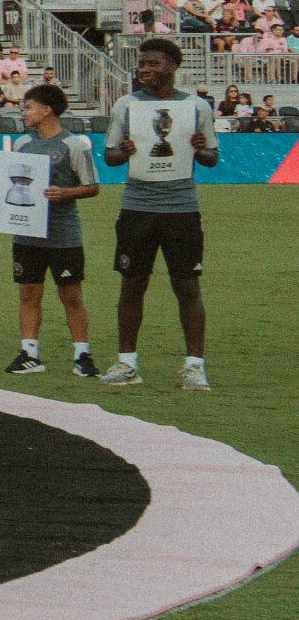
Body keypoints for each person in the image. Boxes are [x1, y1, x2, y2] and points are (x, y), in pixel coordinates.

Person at [103, 37, 217, 392]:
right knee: (132, 283)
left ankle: (195, 367)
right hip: (137, 206)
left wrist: (201, 149)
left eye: (153, 64)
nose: (146, 70)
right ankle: (127, 363)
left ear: (172, 66)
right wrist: (123, 150)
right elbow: (110, 158)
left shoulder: (197, 107)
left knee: (186, 285)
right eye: (143, 64)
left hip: (181, 207)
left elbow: (212, 158)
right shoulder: (126, 105)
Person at [0, 81, 100, 377]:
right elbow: (12, 183)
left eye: (27, 107)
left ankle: (82, 355)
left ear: (47, 110)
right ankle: (29, 353)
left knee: (71, 296)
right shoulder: (22, 144)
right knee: (28, 293)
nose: (23, 113)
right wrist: (0, 189)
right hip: (26, 232)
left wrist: (65, 193)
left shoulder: (75, 145)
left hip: (63, 233)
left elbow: (92, 187)